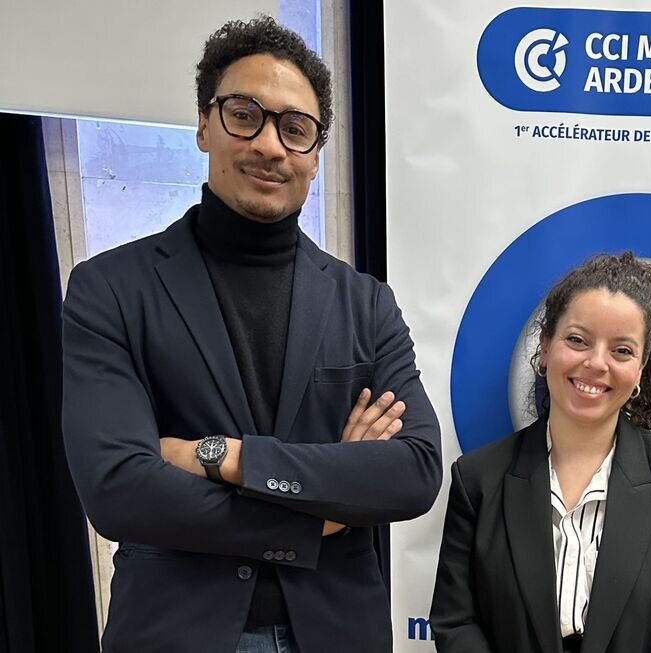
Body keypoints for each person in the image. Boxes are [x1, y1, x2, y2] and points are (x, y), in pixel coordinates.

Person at [61, 16, 441, 653]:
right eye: (245, 114)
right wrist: (318, 513)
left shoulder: (365, 302)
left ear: (315, 156)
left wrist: (224, 458)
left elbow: (414, 471)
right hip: (176, 632)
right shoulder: (110, 288)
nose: (270, 145)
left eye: (296, 128)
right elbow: (119, 490)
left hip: (336, 631)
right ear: (205, 125)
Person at [430, 252, 651, 653]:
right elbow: (456, 622)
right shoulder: (478, 480)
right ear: (546, 347)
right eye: (577, 340)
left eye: (622, 350)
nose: (595, 362)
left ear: (640, 369)